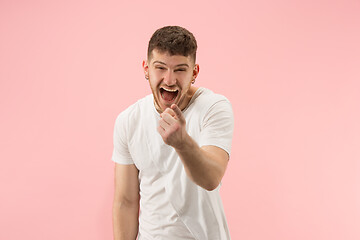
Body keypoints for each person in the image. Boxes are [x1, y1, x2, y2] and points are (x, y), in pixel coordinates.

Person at [112, 26, 234, 240]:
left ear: (194, 72)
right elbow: (126, 201)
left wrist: (182, 143)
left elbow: (211, 178)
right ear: (146, 68)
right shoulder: (128, 120)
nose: (169, 80)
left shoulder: (214, 107)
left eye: (180, 69)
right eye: (160, 68)